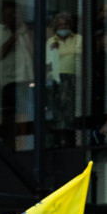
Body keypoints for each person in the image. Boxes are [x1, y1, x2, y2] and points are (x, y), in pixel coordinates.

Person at [0, 3, 34, 148]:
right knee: (14, 115)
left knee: (25, 113)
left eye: (16, 16)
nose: (14, 19)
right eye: (11, 16)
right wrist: (12, 39)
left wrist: (23, 31)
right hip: (10, 80)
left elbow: (31, 51)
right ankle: (15, 144)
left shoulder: (22, 32)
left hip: (25, 78)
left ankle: (24, 143)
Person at [47, 12, 81, 147]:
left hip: (73, 77)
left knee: (70, 109)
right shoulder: (51, 41)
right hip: (56, 79)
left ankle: (69, 138)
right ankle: (57, 138)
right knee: (58, 109)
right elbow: (48, 61)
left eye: (66, 24)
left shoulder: (78, 38)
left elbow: (79, 54)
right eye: (60, 24)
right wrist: (56, 51)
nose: (63, 26)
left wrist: (62, 52)